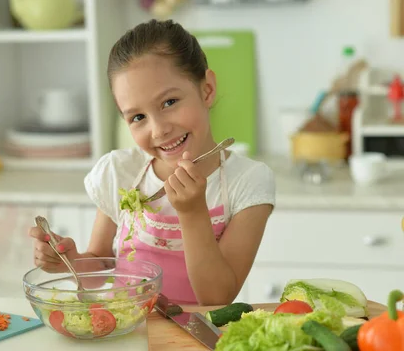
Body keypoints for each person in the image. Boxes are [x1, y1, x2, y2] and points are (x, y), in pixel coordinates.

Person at [29, 19, 275, 305]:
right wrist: (70, 263)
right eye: (138, 117)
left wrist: (193, 213)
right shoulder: (121, 172)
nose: (158, 130)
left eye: (169, 102)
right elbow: (98, 267)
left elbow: (217, 296)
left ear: (206, 89)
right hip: (125, 332)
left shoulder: (248, 183)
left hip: (195, 343)